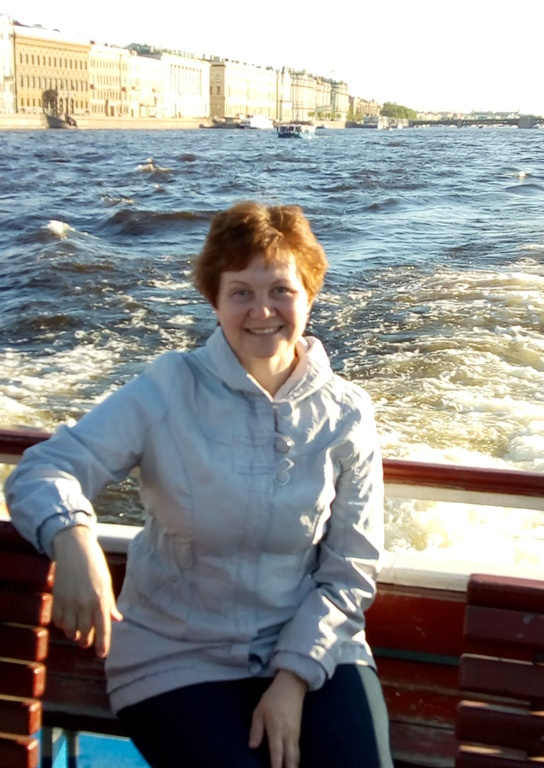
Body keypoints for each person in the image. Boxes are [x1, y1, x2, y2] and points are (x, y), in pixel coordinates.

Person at [5, 201, 393, 768]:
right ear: (214, 300)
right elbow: (44, 469)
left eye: (281, 290)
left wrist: (292, 678)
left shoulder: (346, 413)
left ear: (310, 294)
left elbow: (349, 570)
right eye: (241, 292)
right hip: (175, 655)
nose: (262, 310)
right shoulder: (168, 388)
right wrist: (73, 537)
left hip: (314, 644)